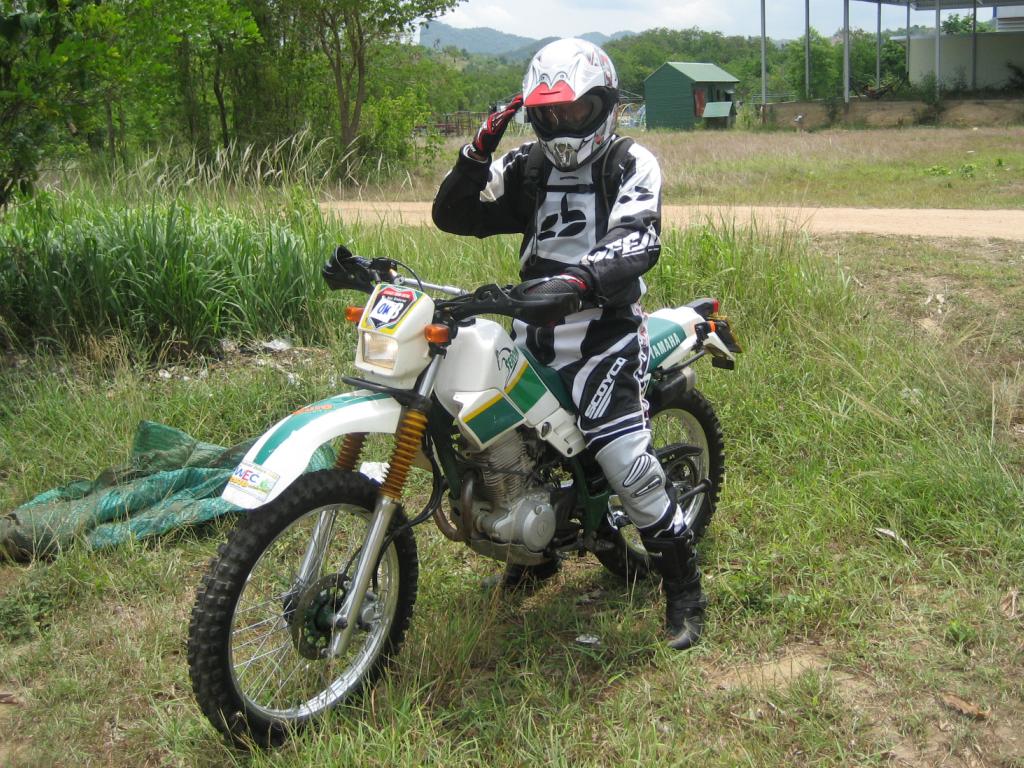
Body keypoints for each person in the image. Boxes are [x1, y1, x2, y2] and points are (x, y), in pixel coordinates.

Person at [431, 38, 706, 651]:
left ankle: (684, 590)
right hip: (531, 329)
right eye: (549, 112)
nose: (562, 124)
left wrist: (576, 282)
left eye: (576, 109)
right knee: (497, 440)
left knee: (623, 461)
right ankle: (536, 555)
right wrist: (478, 150)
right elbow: (454, 215)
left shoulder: (630, 162)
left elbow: (638, 239)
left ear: (604, 104)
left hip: (604, 333)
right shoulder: (527, 166)